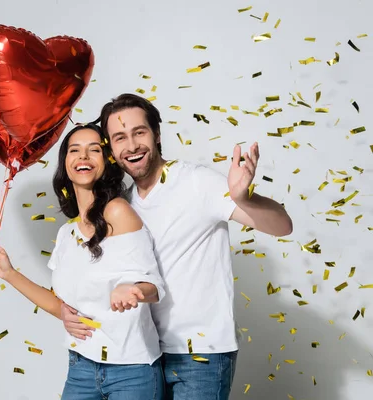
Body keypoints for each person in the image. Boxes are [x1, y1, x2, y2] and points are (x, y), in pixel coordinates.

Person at [60, 93, 293, 400]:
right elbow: (105, 279)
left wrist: (244, 198)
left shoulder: (197, 182)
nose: (131, 146)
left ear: (156, 134)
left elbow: (282, 226)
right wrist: (66, 310)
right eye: (119, 138)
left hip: (200, 356)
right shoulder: (122, 205)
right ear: (112, 151)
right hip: (145, 354)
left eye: (139, 132)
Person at [0, 123, 167, 400]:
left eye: (94, 150)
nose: (83, 156)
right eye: (75, 150)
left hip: (131, 370)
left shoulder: (118, 212)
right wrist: (9, 273)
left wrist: (134, 290)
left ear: (105, 163)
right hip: (80, 367)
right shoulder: (66, 234)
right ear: (65, 163)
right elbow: (63, 307)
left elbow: (154, 286)